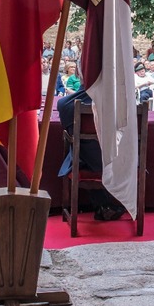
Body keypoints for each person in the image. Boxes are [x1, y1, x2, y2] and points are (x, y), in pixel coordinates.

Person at [57, 89, 126, 220]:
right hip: (121, 161)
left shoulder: (65, 104)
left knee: (81, 150)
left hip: (88, 162)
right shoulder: (123, 102)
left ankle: (104, 205)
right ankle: (105, 205)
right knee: (90, 150)